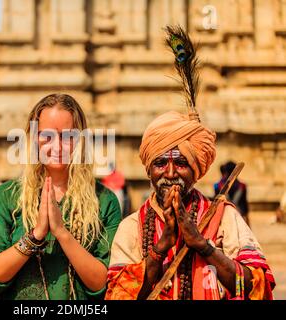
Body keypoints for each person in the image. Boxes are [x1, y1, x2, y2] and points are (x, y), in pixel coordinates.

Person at [105, 26, 275, 300]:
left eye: (181, 163)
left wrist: (203, 246)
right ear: (149, 169)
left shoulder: (224, 218)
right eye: (160, 163)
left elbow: (260, 289)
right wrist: (162, 246)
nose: (170, 173)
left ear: (196, 170)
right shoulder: (131, 228)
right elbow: (116, 296)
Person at [0, 93, 122, 299]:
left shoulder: (104, 200)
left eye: (67, 136)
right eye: (47, 136)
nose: (57, 146)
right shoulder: (8, 196)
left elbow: (104, 282)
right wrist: (36, 235)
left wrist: (61, 233)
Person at [214, 161, 250, 227]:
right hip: (239, 216)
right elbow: (245, 206)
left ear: (225, 172)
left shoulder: (217, 185)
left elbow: (216, 204)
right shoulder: (242, 186)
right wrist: (248, 225)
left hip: (224, 217)